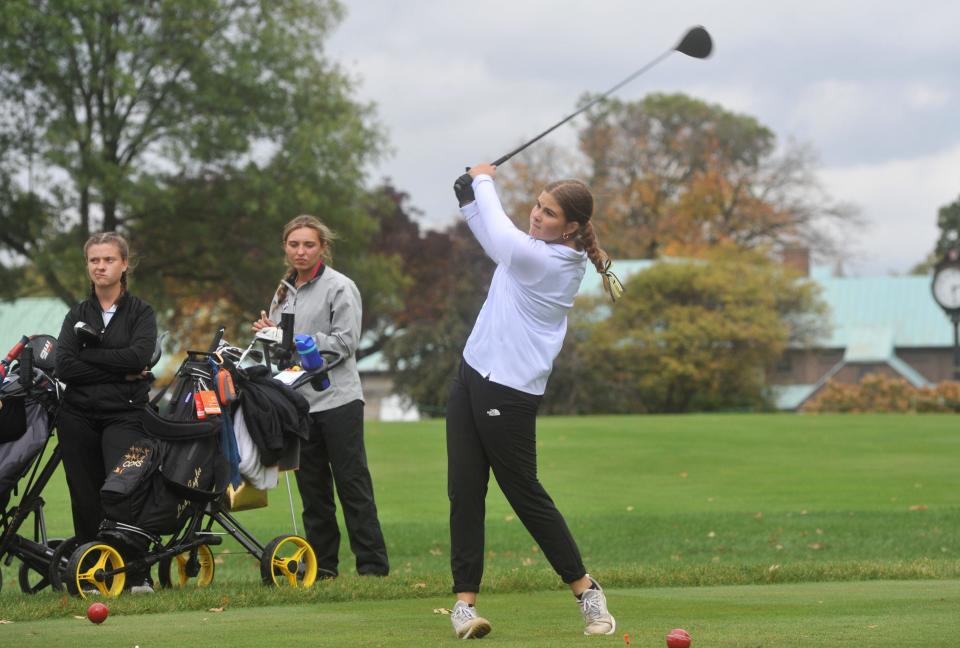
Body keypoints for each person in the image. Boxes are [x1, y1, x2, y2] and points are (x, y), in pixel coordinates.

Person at [446, 165, 622, 639]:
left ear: (570, 227)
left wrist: (483, 181)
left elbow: (503, 241)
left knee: (524, 493)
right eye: (537, 205)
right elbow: (495, 240)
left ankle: (587, 592)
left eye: (548, 212)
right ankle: (464, 606)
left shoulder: (552, 263)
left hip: (509, 390)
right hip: (471, 374)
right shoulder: (536, 250)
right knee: (464, 491)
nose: (536, 216)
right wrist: (469, 203)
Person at [253, 215, 389, 578]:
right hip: (298, 405)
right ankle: (324, 567)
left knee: (352, 484)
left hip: (339, 400)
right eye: (294, 244)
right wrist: (271, 336)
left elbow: (346, 342)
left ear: (322, 248)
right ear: (285, 247)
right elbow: (282, 353)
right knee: (312, 491)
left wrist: (295, 339)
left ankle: (373, 567)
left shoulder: (340, 287)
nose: (301, 251)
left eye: (308, 244)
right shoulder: (283, 290)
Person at [55, 232, 158, 592]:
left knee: (121, 492)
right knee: (84, 496)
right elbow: (63, 366)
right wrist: (119, 369)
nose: (100, 266)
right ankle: (93, 572)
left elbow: (138, 357)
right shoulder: (77, 313)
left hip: (125, 414)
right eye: (94, 260)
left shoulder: (141, 312)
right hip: (77, 415)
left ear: (124, 264)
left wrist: (89, 358)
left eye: (108, 260)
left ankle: (134, 573)